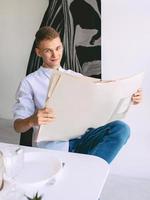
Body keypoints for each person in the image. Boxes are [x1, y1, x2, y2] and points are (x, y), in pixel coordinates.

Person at [13, 26, 142, 164]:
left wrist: (129, 96)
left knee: (121, 129)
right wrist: (32, 120)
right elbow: (17, 126)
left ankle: (87, 170)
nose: (55, 55)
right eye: (48, 51)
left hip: (83, 138)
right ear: (38, 52)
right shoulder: (29, 82)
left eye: (58, 48)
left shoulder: (75, 77)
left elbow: (103, 99)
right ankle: (86, 171)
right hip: (54, 146)